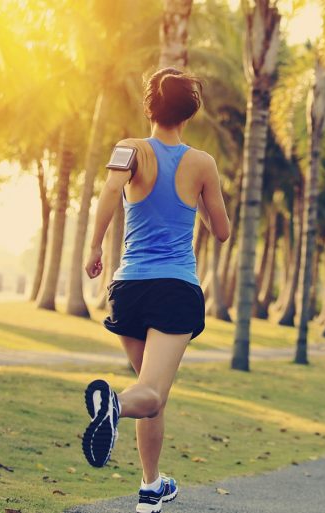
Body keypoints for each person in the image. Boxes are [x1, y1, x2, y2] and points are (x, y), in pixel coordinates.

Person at [81, 67, 230, 513]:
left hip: (128, 289)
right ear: (190, 112)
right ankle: (112, 405)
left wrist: (94, 246)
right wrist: (199, 200)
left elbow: (109, 193)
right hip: (173, 290)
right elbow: (221, 231)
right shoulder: (202, 163)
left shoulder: (129, 150)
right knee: (147, 396)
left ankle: (151, 484)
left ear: (150, 107)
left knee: (151, 388)